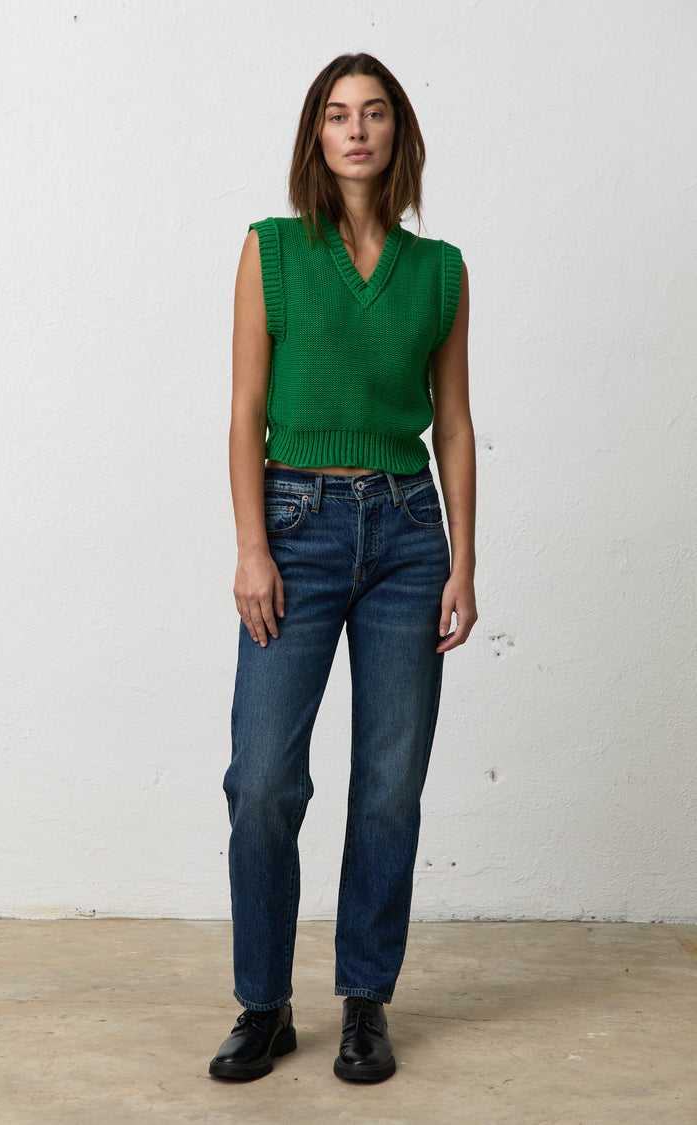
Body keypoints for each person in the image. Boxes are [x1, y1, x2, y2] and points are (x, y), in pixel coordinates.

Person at [209, 52, 477, 1084]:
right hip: (296, 524)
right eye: (335, 114)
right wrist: (252, 545)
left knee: (390, 786)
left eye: (372, 113)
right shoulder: (271, 250)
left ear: (397, 132)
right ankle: (264, 1006)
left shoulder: (441, 270)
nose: (355, 130)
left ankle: (366, 1001)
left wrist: (463, 560)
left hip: (409, 534)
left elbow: (453, 424)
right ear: (315, 137)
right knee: (263, 780)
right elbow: (245, 409)